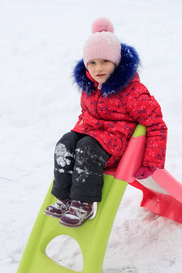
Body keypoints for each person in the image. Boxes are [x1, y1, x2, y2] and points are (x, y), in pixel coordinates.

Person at [44, 18, 167, 227]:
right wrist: (77, 135)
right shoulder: (89, 88)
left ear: (116, 62)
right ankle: (64, 198)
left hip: (118, 146)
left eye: (105, 61)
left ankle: (83, 203)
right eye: (92, 62)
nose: (98, 68)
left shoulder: (133, 92)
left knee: (86, 147)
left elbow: (156, 125)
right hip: (94, 137)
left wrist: (150, 162)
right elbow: (85, 114)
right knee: (65, 143)